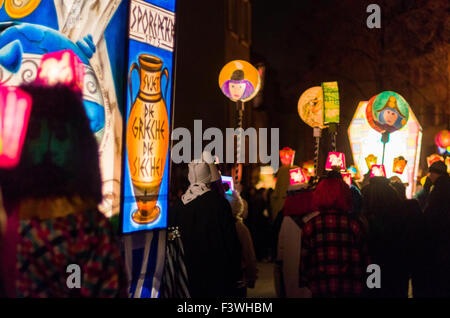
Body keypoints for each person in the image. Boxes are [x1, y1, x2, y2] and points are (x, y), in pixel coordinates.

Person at [0, 84, 128, 297]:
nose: (46, 145)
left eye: (59, 134)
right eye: (34, 133)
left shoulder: (88, 230)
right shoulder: (89, 229)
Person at [170, 161, 242, 297]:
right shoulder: (219, 203)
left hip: (187, 276)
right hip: (216, 275)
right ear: (207, 176)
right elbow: (231, 242)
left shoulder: (178, 206)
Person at [299, 171, 370, 298]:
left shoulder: (310, 226)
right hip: (350, 289)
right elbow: (366, 260)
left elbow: (304, 263)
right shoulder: (354, 225)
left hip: (321, 288)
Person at [361, 177, 411, 297]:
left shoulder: (367, 195)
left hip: (373, 263)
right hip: (395, 264)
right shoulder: (397, 207)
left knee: (374, 291)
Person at [414, 160, 450, 297]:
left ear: (436, 173)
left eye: (431, 173)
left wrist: (426, 190)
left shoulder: (438, 189)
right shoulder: (443, 185)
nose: (429, 176)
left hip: (437, 239)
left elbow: (429, 212)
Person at [276, 183, 317, 298]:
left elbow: (281, 247)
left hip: (290, 265)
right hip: (310, 265)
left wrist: (279, 261)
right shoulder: (315, 217)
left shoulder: (287, 220)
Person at [226, 190, 258, 297]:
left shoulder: (217, 226)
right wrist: (251, 277)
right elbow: (249, 253)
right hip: (238, 276)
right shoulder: (240, 227)